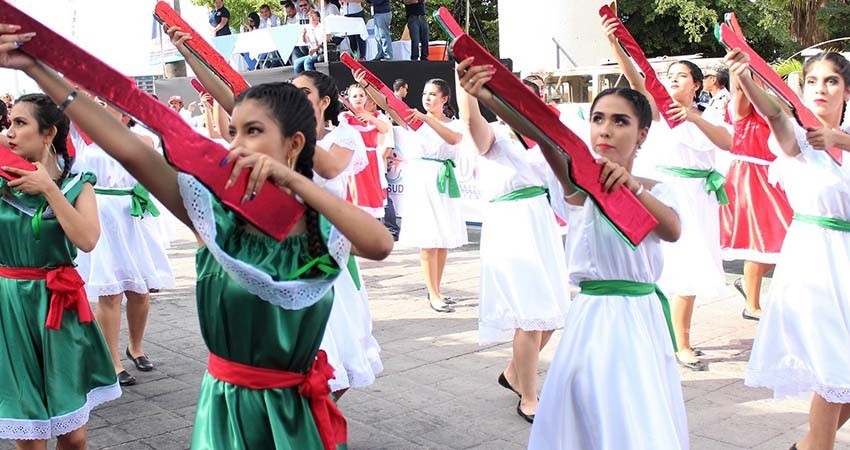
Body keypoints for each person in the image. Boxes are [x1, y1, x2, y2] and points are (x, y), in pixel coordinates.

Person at [1, 24, 393, 449]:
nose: (236, 145)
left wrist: (294, 183)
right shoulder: (213, 217)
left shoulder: (319, 230)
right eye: (233, 133)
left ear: (295, 143)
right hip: (223, 411)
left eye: (253, 132)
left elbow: (379, 244)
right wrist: (38, 69)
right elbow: (130, 150)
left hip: (294, 417)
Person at [728, 49, 850, 450]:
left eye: (831, 81)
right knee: (835, 373)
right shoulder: (797, 138)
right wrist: (746, 78)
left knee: (843, 381)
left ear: (846, 91)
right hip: (816, 262)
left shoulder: (841, 141)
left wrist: (839, 140)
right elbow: (776, 114)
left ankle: (807, 446)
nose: (821, 88)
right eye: (812, 80)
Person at [602, 16, 729, 372]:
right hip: (670, 194)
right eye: (669, 76)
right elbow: (636, 79)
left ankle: (680, 339)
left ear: (697, 84)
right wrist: (616, 46)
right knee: (669, 267)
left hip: (698, 197)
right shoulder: (656, 110)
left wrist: (692, 117)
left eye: (681, 77)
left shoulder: (708, 114)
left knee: (691, 270)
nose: (672, 81)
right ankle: (677, 343)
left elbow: (728, 141)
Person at [0, 91, 121, 447]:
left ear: (49, 133)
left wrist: (49, 190)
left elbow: (86, 239)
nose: (10, 131)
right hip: (10, 305)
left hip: (60, 304)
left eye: (20, 123)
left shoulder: (77, 183)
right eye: (9, 122)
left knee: (74, 435)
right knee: (30, 433)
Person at [456, 58, 571, 423]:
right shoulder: (496, 134)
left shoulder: (547, 139)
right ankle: (530, 396)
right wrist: (466, 91)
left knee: (551, 313)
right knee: (530, 314)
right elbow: (472, 124)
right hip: (511, 225)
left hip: (541, 223)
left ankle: (511, 373)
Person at [71, 100, 176, 387]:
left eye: (108, 101)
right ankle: (112, 360)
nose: (101, 105)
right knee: (111, 292)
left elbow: (149, 160)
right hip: (100, 211)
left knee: (140, 290)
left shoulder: (143, 139)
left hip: (132, 215)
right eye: (98, 101)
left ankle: (136, 347)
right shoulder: (82, 136)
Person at [720, 74, 792, 320]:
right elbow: (741, 93)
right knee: (758, 241)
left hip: (772, 174)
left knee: (787, 239)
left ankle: (749, 282)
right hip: (748, 176)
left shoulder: (770, 103)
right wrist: (741, 71)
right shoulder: (738, 105)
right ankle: (752, 304)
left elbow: (788, 116)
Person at [397, 78, 467, 312]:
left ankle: (436, 288)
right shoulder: (414, 122)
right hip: (423, 180)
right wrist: (367, 87)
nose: (427, 98)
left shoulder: (453, 124)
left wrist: (427, 118)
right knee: (428, 241)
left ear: (444, 98)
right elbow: (387, 106)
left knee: (442, 240)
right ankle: (433, 294)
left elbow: (454, 139)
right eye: (425, 93)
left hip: (444, 182)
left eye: (433, 94)